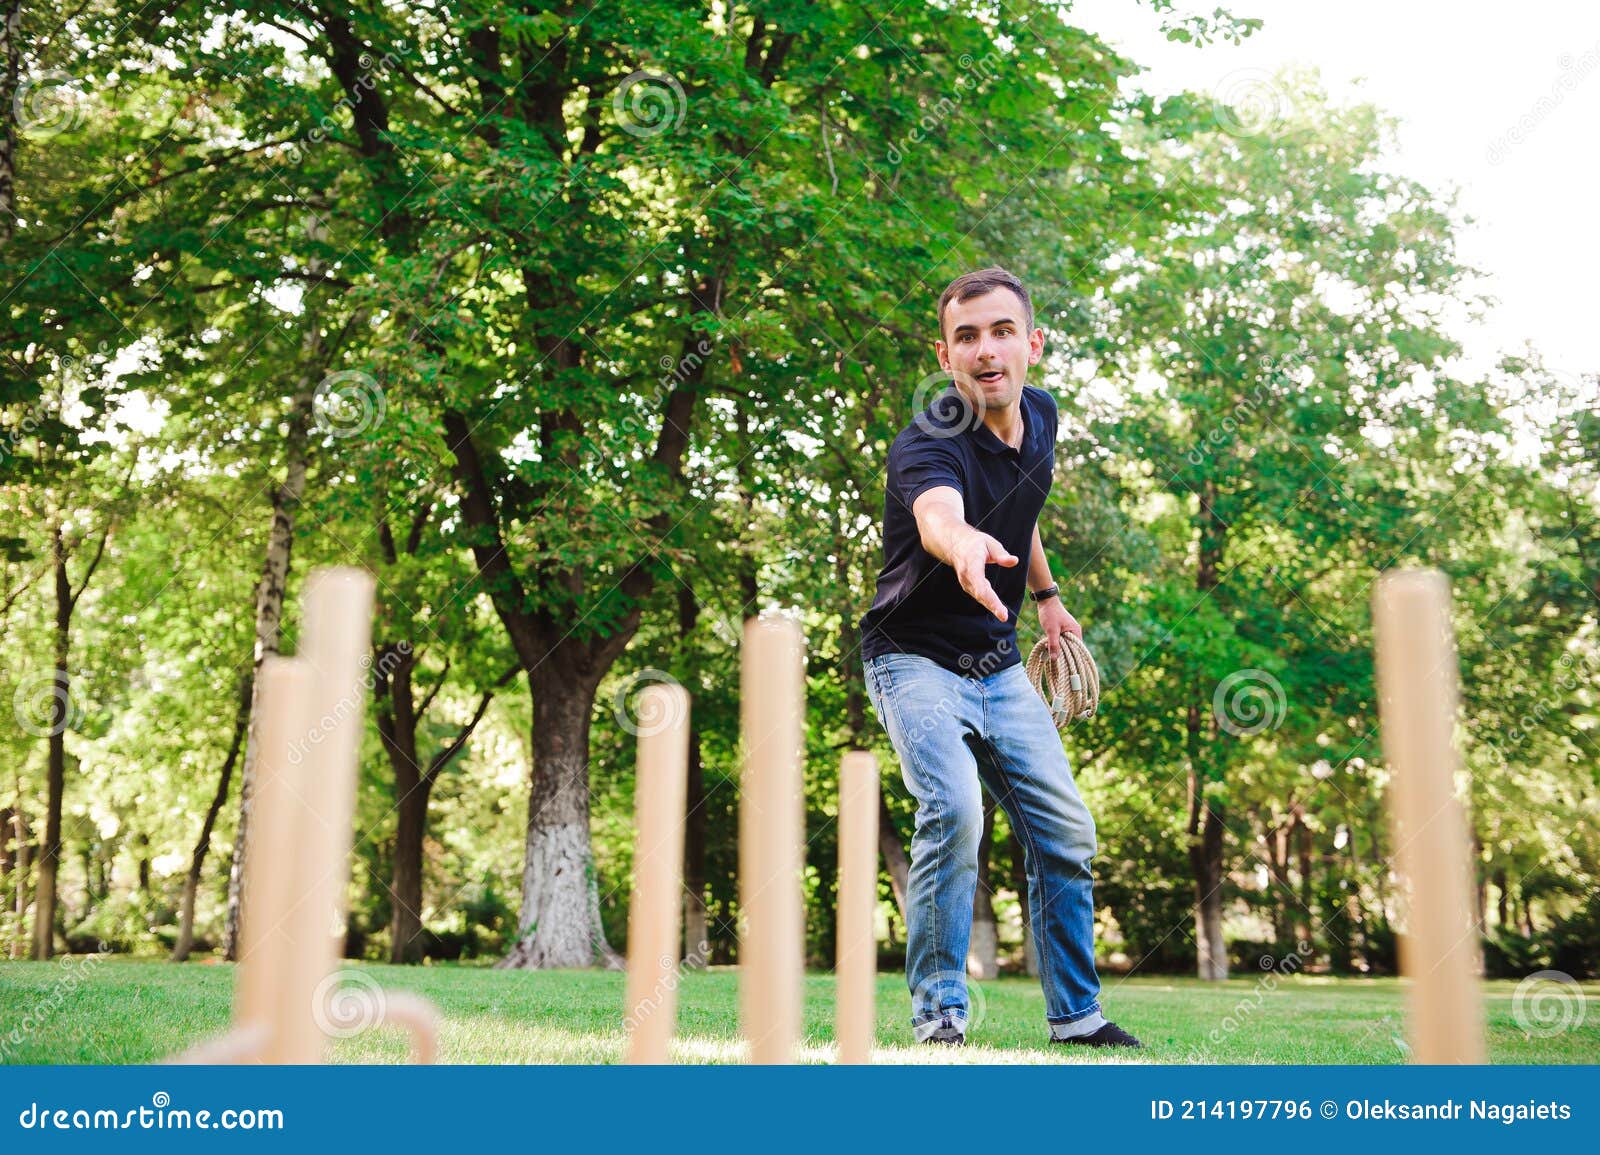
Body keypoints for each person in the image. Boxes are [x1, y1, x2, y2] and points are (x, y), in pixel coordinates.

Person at [859, 266, 1141, 1049]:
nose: (987, 350)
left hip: (998, 660)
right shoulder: (928, 439)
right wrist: (962, 544)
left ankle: (1077, 1018)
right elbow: (939, 512)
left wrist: (1046, 597)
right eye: (967, 337)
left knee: (1066, 829)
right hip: (910, 656)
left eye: (1002, 331)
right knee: (955, 807)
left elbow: (1026, 507)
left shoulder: (1041, 419)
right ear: (946, 356)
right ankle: (940, 1014)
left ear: (1033, 344)